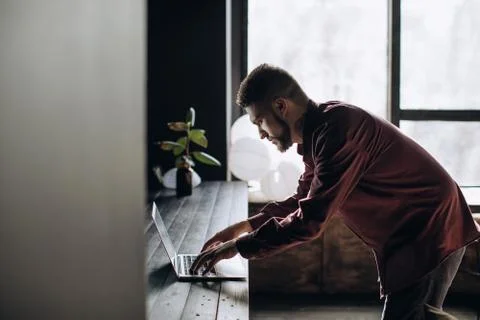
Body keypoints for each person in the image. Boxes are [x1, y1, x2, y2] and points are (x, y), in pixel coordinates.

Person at [190, 64, 480, 319]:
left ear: (281, 106)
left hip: (430, 228)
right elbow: (302, 201)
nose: (260, 134)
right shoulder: (321, 133)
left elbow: (310, 221)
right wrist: (241, 228)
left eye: (259, 122)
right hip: (419, 230)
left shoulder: (337, 132)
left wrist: (239, 247)